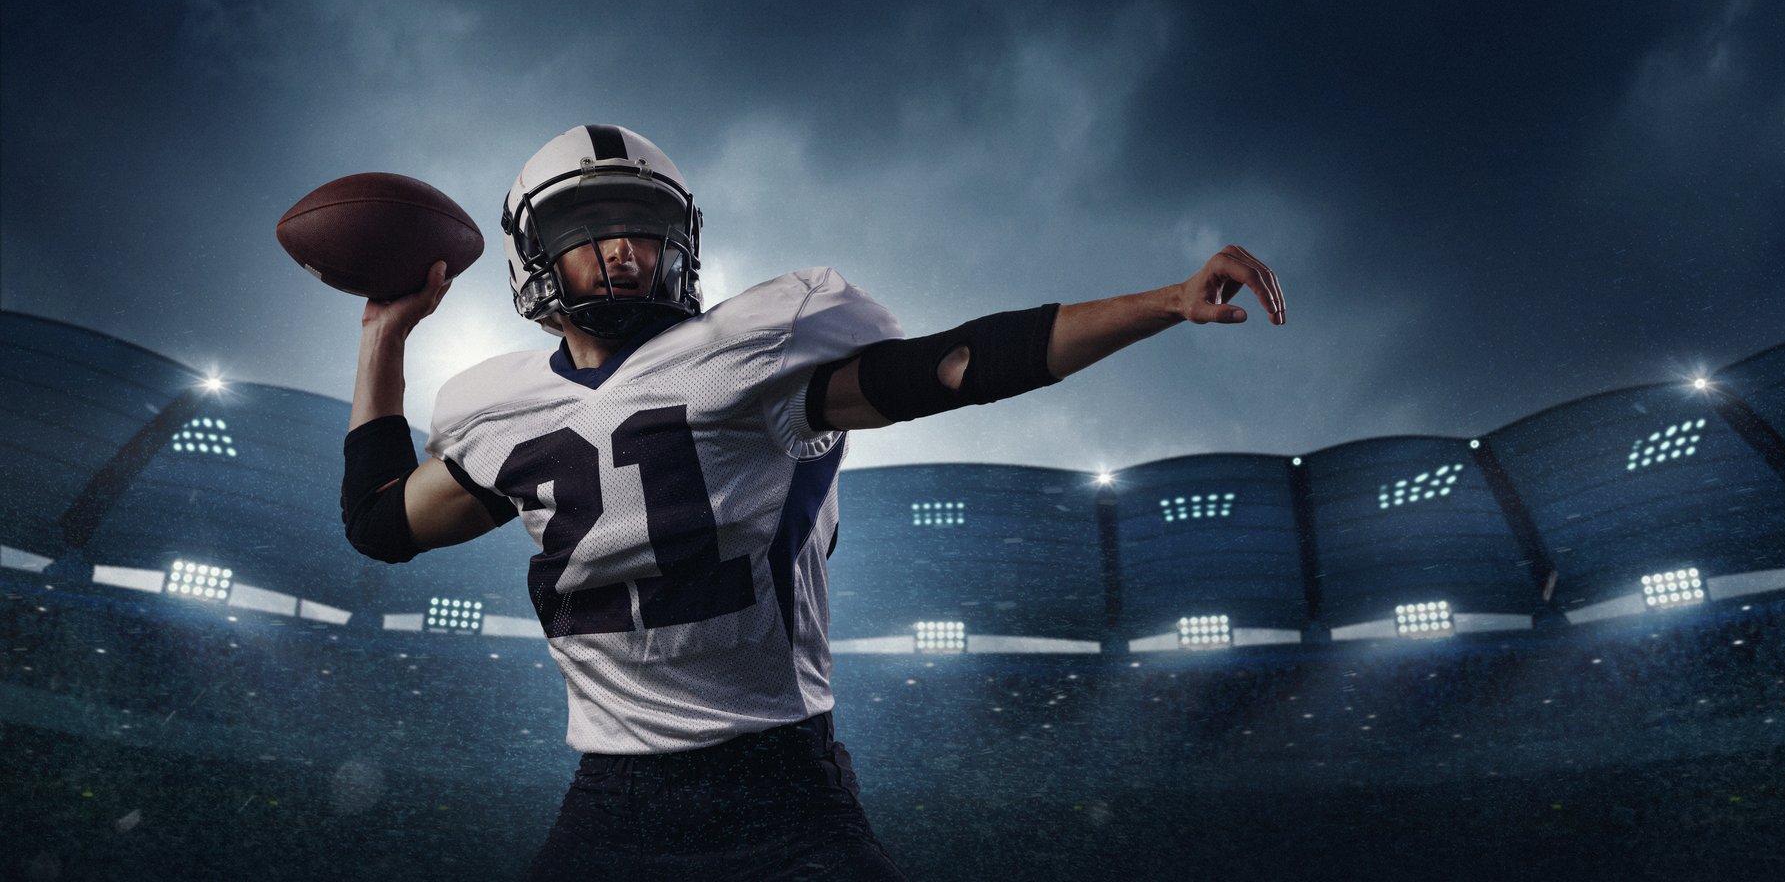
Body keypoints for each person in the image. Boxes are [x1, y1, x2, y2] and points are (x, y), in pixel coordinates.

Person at [340, 124, 1285, 881]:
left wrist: (1164, 302)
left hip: (781, 793)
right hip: (608, 800)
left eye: (641, 225)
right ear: (532, 254)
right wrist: (384, 335)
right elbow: (381, 524)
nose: (623, 249)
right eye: (589, 229)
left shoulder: (748, 355)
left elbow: (952, 368)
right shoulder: (494, 407)